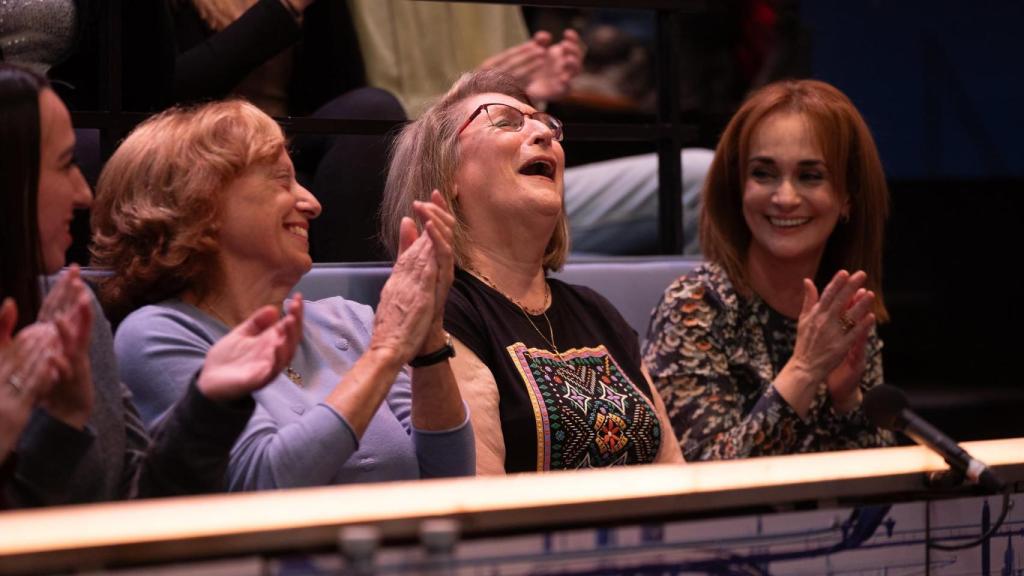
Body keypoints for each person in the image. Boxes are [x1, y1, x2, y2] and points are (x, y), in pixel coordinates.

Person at [91, 99, 473, 491]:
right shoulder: (155, 334)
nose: (313, 204)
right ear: (201, 201)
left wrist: (427, 339)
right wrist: (387, 351)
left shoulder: (347, 319)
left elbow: (449, 482)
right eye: (280, 180)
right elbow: (263, 484)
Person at [0, 63, 301, 507]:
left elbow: (142, 504)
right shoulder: (143, 330)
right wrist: (58, 428)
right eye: (65, 165)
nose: (83, 194)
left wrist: (208, 404)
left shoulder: (71, 313)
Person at [381, 69, 682, 474]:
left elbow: (673, 469)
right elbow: (478, 491)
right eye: (506, 122)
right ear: (447, 175)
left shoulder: (595, 310)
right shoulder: (445, 312)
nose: (543, 134)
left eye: (546, 125)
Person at [643, 79, 895, 461]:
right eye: (763, 173)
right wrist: (804, 371)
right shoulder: (695, 305)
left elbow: (876, 482)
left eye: (810, 176)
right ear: (738, 187)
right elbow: (704, 476)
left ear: (847, 197)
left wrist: (847, 401)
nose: (785, 198)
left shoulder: (845, 312)